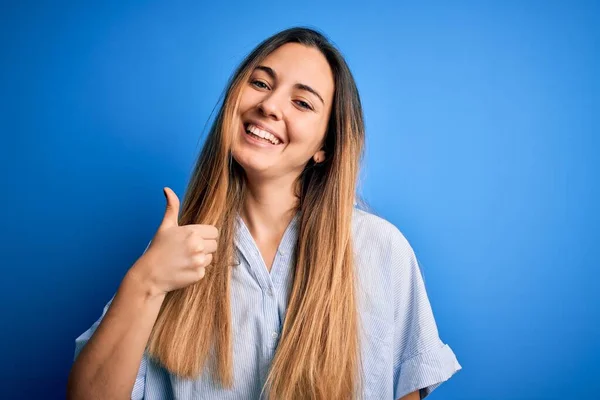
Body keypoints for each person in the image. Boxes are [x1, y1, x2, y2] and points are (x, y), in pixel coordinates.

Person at [67, 26, 461, 400]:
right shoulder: (177, 255)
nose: (269, 105)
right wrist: (146, 281)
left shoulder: (381, 250)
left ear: (325, 147)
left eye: (302, 102)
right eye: (260, 83)